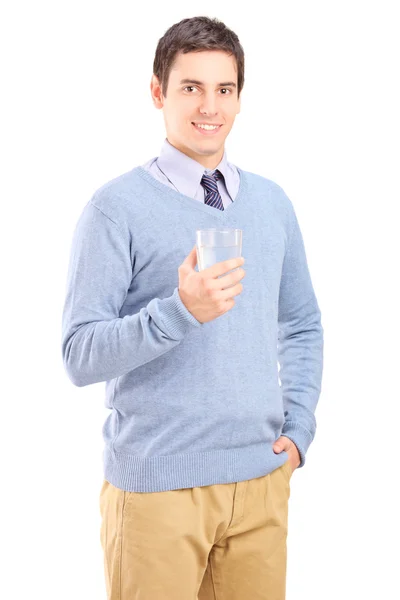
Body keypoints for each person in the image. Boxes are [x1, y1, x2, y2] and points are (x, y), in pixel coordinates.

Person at [61, 15, 324, 600]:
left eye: (224, 89)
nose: (210, 106)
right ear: (158, 92)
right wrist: (178, 311)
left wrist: (299, 429)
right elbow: (78, 354)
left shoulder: (272, 203)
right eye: (191, 87)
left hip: (260, 485)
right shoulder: (115, 209)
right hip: (157, 494)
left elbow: (301, 322)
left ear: (238, 98)